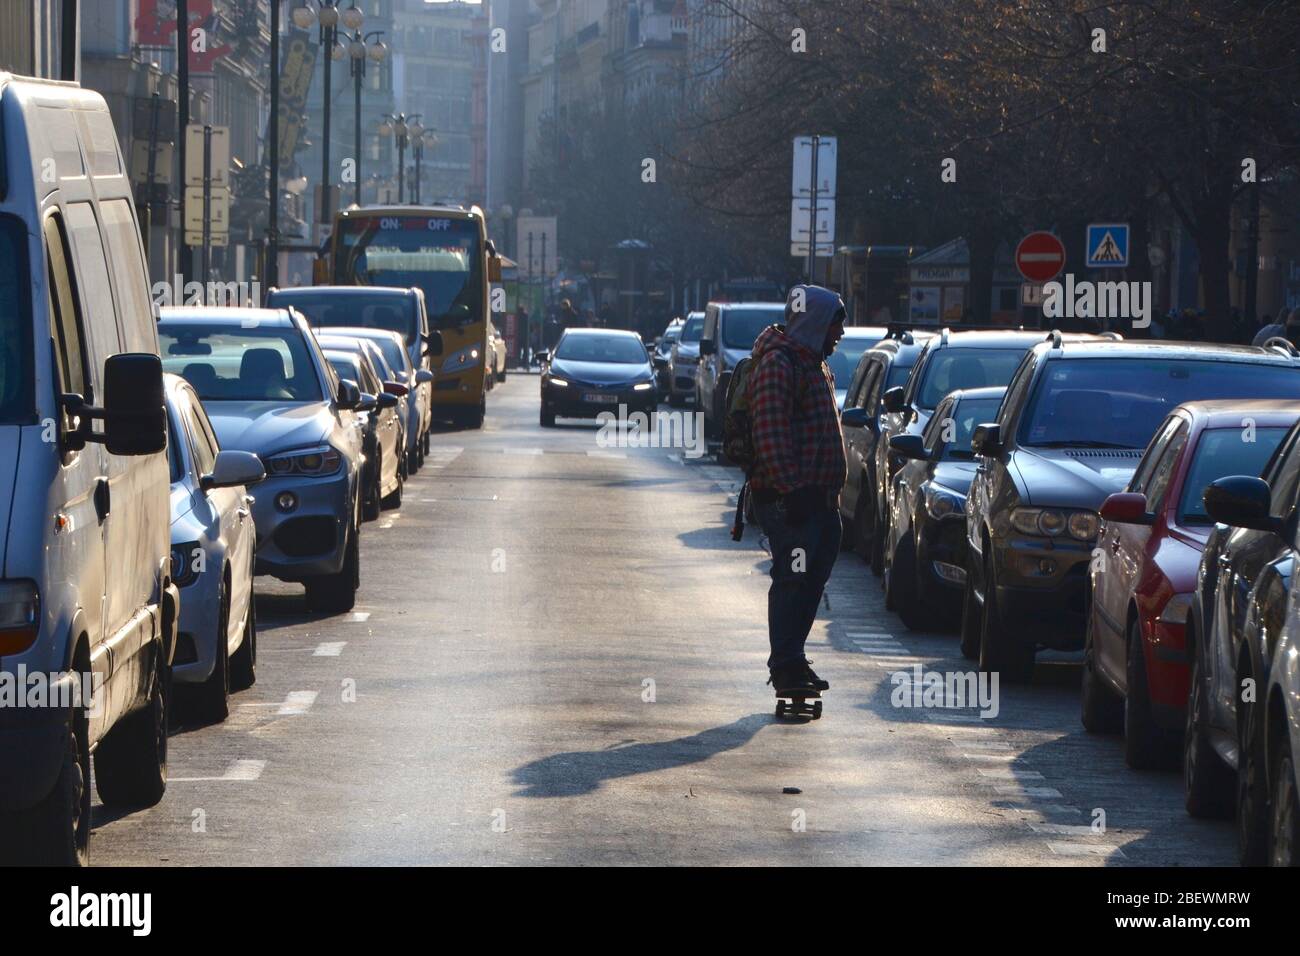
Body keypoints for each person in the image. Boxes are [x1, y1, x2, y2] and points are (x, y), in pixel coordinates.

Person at [747, 285, 847, 695]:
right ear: (816, 323)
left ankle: (793, 656)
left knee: (810, 583)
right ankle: (785, 665)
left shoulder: (814, 363)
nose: (839, 334)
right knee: (793, 579)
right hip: (793, 502)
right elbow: (770, 433)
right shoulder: (779, 364)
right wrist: (793, 490)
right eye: (835, 325)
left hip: (820, 501)